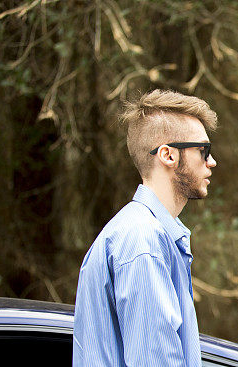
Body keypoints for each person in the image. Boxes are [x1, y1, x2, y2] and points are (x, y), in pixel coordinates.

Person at [73, 89, 218, 366]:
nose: (212, 161)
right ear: (167, 155)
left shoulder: (144, 234)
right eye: (203, 150)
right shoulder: (143, 242)